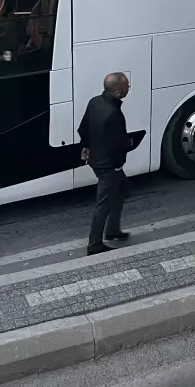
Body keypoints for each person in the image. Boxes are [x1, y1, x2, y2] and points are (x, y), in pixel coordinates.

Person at [78, 72, 145, 256]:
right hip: (108, 165)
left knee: (121, 190)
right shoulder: (114, 114)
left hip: (96, 159)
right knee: (104, 202)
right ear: (117, 91)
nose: (128, 89)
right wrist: (119, 164)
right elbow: (118, 146)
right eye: (126, 87)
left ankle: (113, 230)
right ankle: (95, 244)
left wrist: (86, 147)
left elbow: (83, 128)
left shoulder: (94, 102)